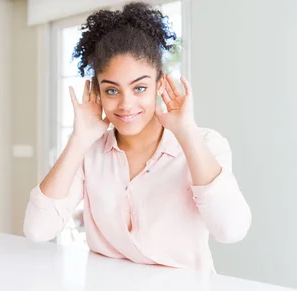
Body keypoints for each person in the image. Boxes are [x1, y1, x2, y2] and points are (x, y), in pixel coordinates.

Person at [23, 2, 251, 272]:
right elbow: (38, 229)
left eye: (139, 87)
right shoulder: (90, 152)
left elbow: (231, 230)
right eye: (111, 91)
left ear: (160, 84)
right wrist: (79, 139)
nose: (126, 104)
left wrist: (187, 133)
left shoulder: (206, 143)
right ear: (97, 91)